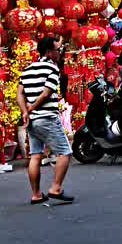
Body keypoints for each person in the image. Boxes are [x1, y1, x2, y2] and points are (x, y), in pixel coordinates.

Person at [17, 36, 74, 205]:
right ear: (49, 52)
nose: (60, 53)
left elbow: (19, 93)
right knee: (65, 152)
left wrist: (25, 112)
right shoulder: (52, 69)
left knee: (35, 155)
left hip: (32, 120)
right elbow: (47, 93)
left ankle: (36, 194)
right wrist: (32, 108)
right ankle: (55, 188)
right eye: (58, 50)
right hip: (46, 117)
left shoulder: (27, 70)